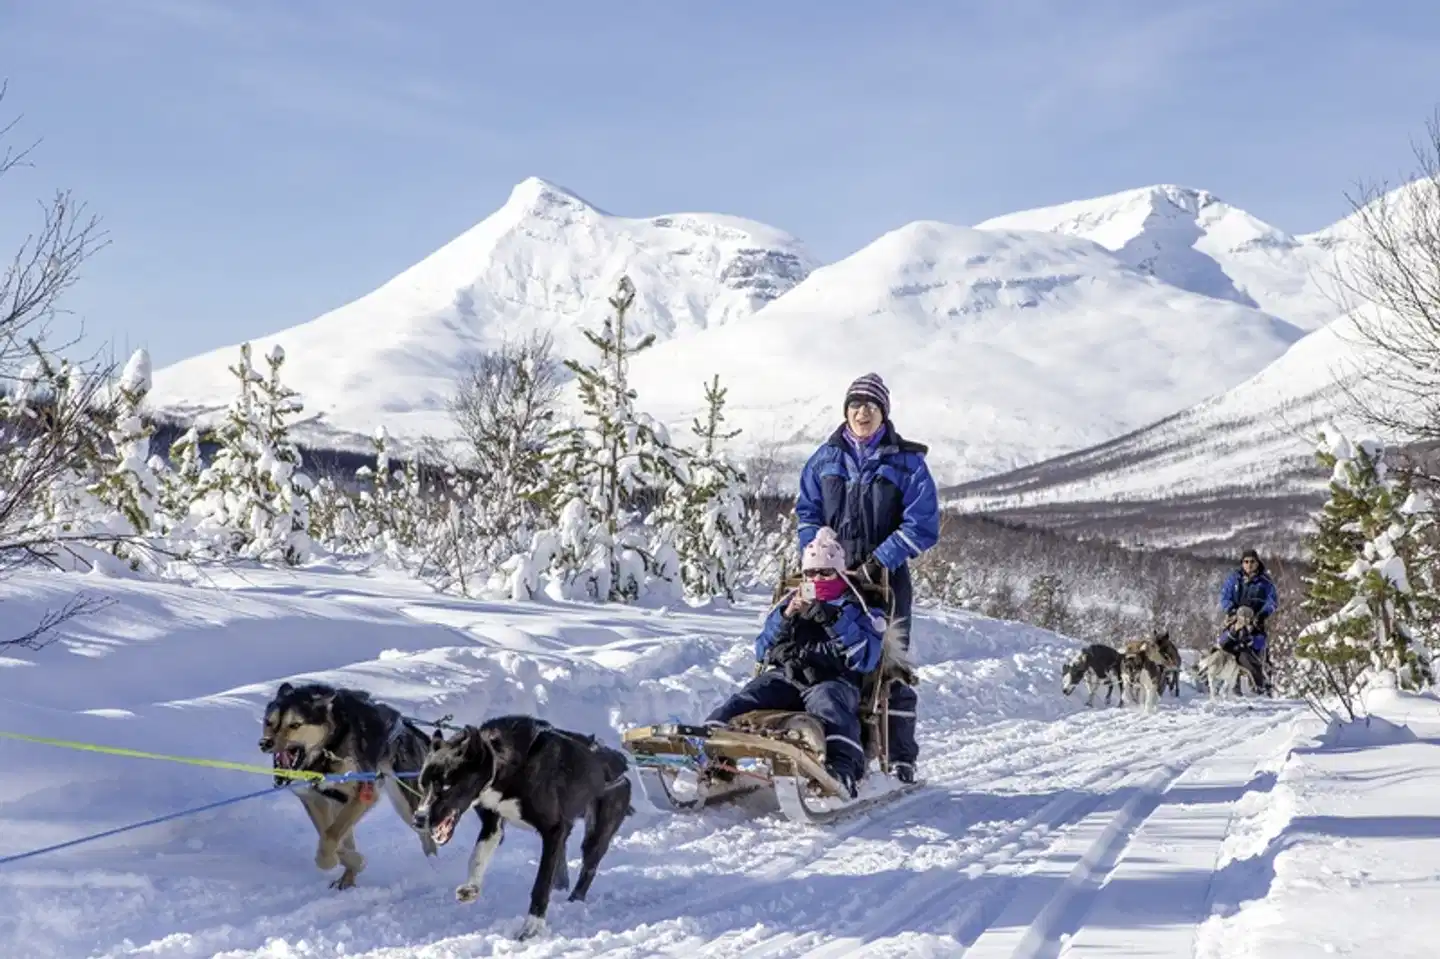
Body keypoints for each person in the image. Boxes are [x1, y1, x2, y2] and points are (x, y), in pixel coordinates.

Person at [795, 373, 939, 784]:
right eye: (855, 405)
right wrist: (815, 550)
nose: (862, 412)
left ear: (883, 413)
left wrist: (880, 560)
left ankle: (900, 756)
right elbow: (807, 512)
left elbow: (922, 523)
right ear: (845, 411)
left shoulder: (906, 462)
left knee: (890, 663)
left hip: (886, 580)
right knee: (826, 652)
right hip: (830, 575)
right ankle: (832, 740)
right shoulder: (824, 459)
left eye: (871, 406)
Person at [705, 527, 884, 798]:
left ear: (839, 573)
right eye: (811, 572)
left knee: (832, 708)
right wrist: (786, 618)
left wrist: (834, 619)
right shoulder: (790, 603)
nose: (817, 578)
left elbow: (866, 658)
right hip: (789, 676)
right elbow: (761, 650)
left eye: (825, 572)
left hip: (832, 679)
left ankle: (842, 770)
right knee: (748, 696)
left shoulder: (856, 607)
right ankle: (711, 748)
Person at [1219, 548, 1278, 694]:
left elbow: (1272, 601)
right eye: (1246, 561)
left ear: (1258, 563)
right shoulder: (1234, 579)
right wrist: (1231, 610)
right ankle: (1223, 681)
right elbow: (1225, 597)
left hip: (1256, 621)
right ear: (1242, 563)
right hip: (1235, 619)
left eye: (1252, 561)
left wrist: (1262, 614)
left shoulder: (1264, 582)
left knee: (1255, 649)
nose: (1249, 564)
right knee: (1225, 645)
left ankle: (1260, 684)